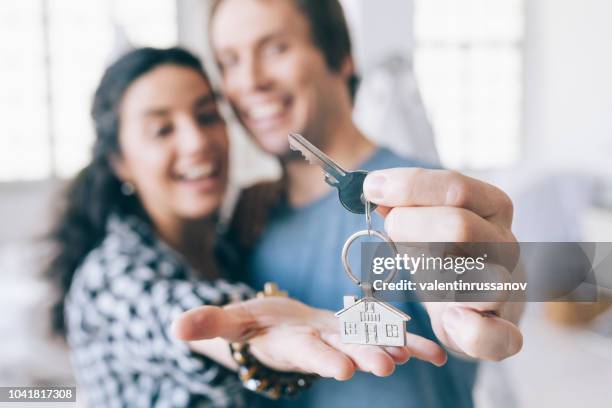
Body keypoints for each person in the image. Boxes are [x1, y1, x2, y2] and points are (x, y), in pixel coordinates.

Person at [46, 47, 444, 407]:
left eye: (206, 116)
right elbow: (181, 316)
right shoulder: (110, 277)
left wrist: (500, 288)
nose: (197, 141)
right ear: (119, 162)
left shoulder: (240, 237)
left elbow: (496, 289)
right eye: (162, 129)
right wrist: (251, 333)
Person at [173, 1, 524, 407]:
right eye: (230, 60)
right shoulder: (247, 212)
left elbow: (490, 284)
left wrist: (489, 300)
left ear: (340, 57)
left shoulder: (418, 197)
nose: (249, 80)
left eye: (275, 48)